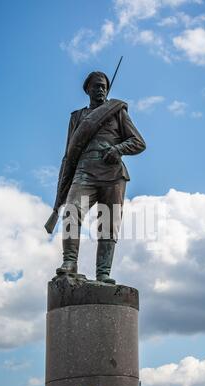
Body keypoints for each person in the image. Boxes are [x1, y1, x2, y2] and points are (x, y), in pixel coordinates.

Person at [49, 71, 146, 284]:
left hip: (113, 175)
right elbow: (69, 152)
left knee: (108, 223)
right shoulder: (76, 117)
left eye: (103, 86)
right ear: (88, 89)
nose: (101, 89)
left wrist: (118, 148)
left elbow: (139, 142)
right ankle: (69, 262)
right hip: (84, 172)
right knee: (72, 212)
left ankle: (103, 273)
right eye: (96, 86)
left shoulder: (117, 111)